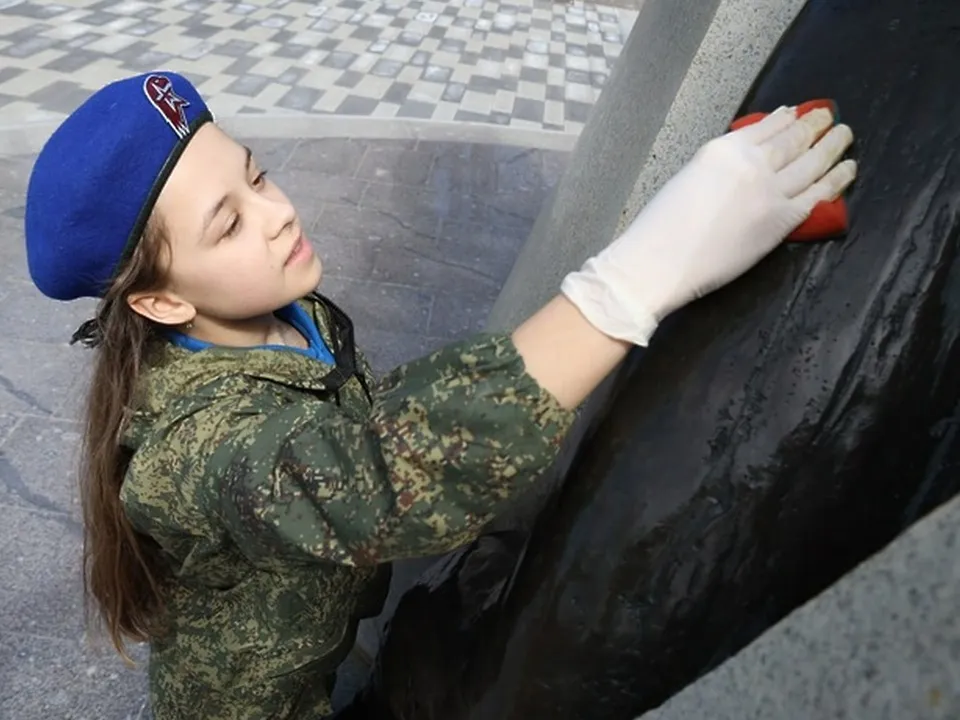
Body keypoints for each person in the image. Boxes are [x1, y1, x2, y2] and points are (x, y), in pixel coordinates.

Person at [23, 71, 855, 719]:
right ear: (163, 302)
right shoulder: (193, 451)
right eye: (228, 224)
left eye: (259, 178)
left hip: (313, 636)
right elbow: (365, 475)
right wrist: (630, 282)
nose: (275, 214)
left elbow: (360, 409)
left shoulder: (284, 313)